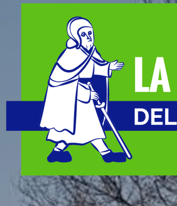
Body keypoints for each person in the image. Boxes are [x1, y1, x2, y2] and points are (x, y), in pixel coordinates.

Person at [40, 16, 125, 164]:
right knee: (88, 128)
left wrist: (108, 67)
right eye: (83, 34)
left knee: (76, 131)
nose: (88, 37)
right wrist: (87, 94)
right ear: (76, 36)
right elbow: (63, 81)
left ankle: (57, 153)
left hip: (82, 94)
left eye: (90, 33)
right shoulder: (71, 55)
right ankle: (106, 154)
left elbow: (94, 67)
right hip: (72, 98)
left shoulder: (89, 52)